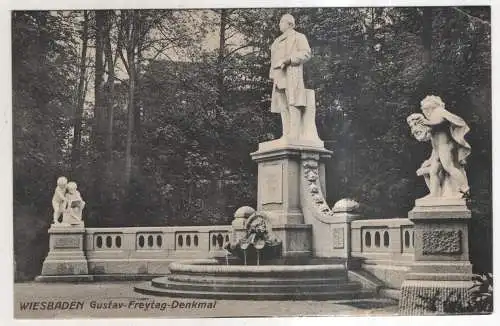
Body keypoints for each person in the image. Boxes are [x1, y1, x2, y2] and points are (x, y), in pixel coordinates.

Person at [413, 95, 471, 199]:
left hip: (446, 146)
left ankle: (465, 189)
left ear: (431, 106)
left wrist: (427, 123)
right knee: (433, 171)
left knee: (449, 167)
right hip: (437, 149)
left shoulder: (439, 111)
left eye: (425, 109)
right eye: (423, 109)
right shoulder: (432, 116)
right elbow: (431, 135)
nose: (424, 111)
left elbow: (440, 121)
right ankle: (434, 194)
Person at [269, 14, 312, 139]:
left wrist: (289, 59)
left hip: (291, 73)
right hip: (278, 75)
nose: (279, 24)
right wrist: (272, 73)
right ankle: (286, 134)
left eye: (282, 22)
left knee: (293, 103)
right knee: (283, 105)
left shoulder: (299, 37)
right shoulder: (277, 41)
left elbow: (306, 53)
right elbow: (273, 58)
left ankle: (294, 134)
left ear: (290, 24)